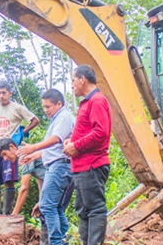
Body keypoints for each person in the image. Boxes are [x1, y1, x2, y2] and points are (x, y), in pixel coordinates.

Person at [18, 89, 75, 245]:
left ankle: (57, 241)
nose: (45, 111)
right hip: (58, 165)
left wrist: (34, 147)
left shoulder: (63, 117)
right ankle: (63, 239)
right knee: (55, 207)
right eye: (44, 107)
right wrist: (34, 155)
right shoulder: (57, 118)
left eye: (48, 107)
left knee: (47, 206)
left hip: (60, 166)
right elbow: (53, 148)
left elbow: (56, 139)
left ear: (59, 103)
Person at [63, 65, 111, 245]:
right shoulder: (88, 102)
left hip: (92, 164)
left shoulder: (96, 100)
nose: (73, 85)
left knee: (95, 209)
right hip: (82, 166)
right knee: (83, 210)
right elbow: (88, 131)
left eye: (73, 80)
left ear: (83, 79)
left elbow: (101, 132)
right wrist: (71, 141)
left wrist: (77, 145)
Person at [0, 81, 39, 215]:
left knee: (9, 181)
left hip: (9, 150)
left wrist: (21, 133)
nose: (1, 96)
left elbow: (35, 120)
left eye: (4, 93)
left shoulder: (17, 108)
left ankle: (7, 214)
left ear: (10, 93)